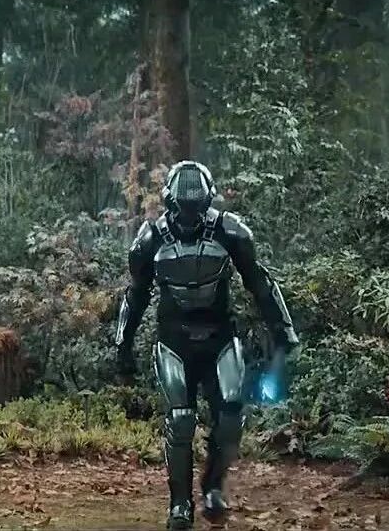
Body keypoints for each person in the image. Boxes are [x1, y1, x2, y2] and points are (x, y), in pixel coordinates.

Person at [114, 161, 298, 530]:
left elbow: (260, 282)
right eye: (183, 208)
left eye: (195, 208)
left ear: (207, 202)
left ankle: (213, 486)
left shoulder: (231, 232)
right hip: (175, 341)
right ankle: (179, 504)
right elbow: (135, 296)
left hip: (219, 337)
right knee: (181, 419)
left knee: (231, 415)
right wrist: (123, 345)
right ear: (170, 203)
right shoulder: (150, 240)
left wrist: (283, 331)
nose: (189, 216)